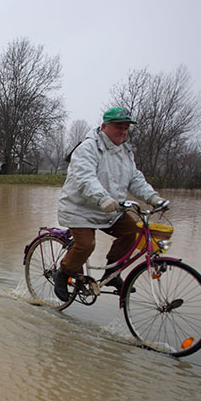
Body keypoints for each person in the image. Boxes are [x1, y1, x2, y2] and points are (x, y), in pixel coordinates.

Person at [53, 107, 167, 300]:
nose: (122, 131)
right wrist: (102, 199)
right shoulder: (88, 148)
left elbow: (135, 179)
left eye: (125, 128)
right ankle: (62, 274)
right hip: (79, 210)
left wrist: (153, 198)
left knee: (132, 231)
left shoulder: (125, 152)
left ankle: (111, 274)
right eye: (118, 127)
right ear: (105, 126)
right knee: (86, 245)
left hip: (110, 210)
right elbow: (84, 178)